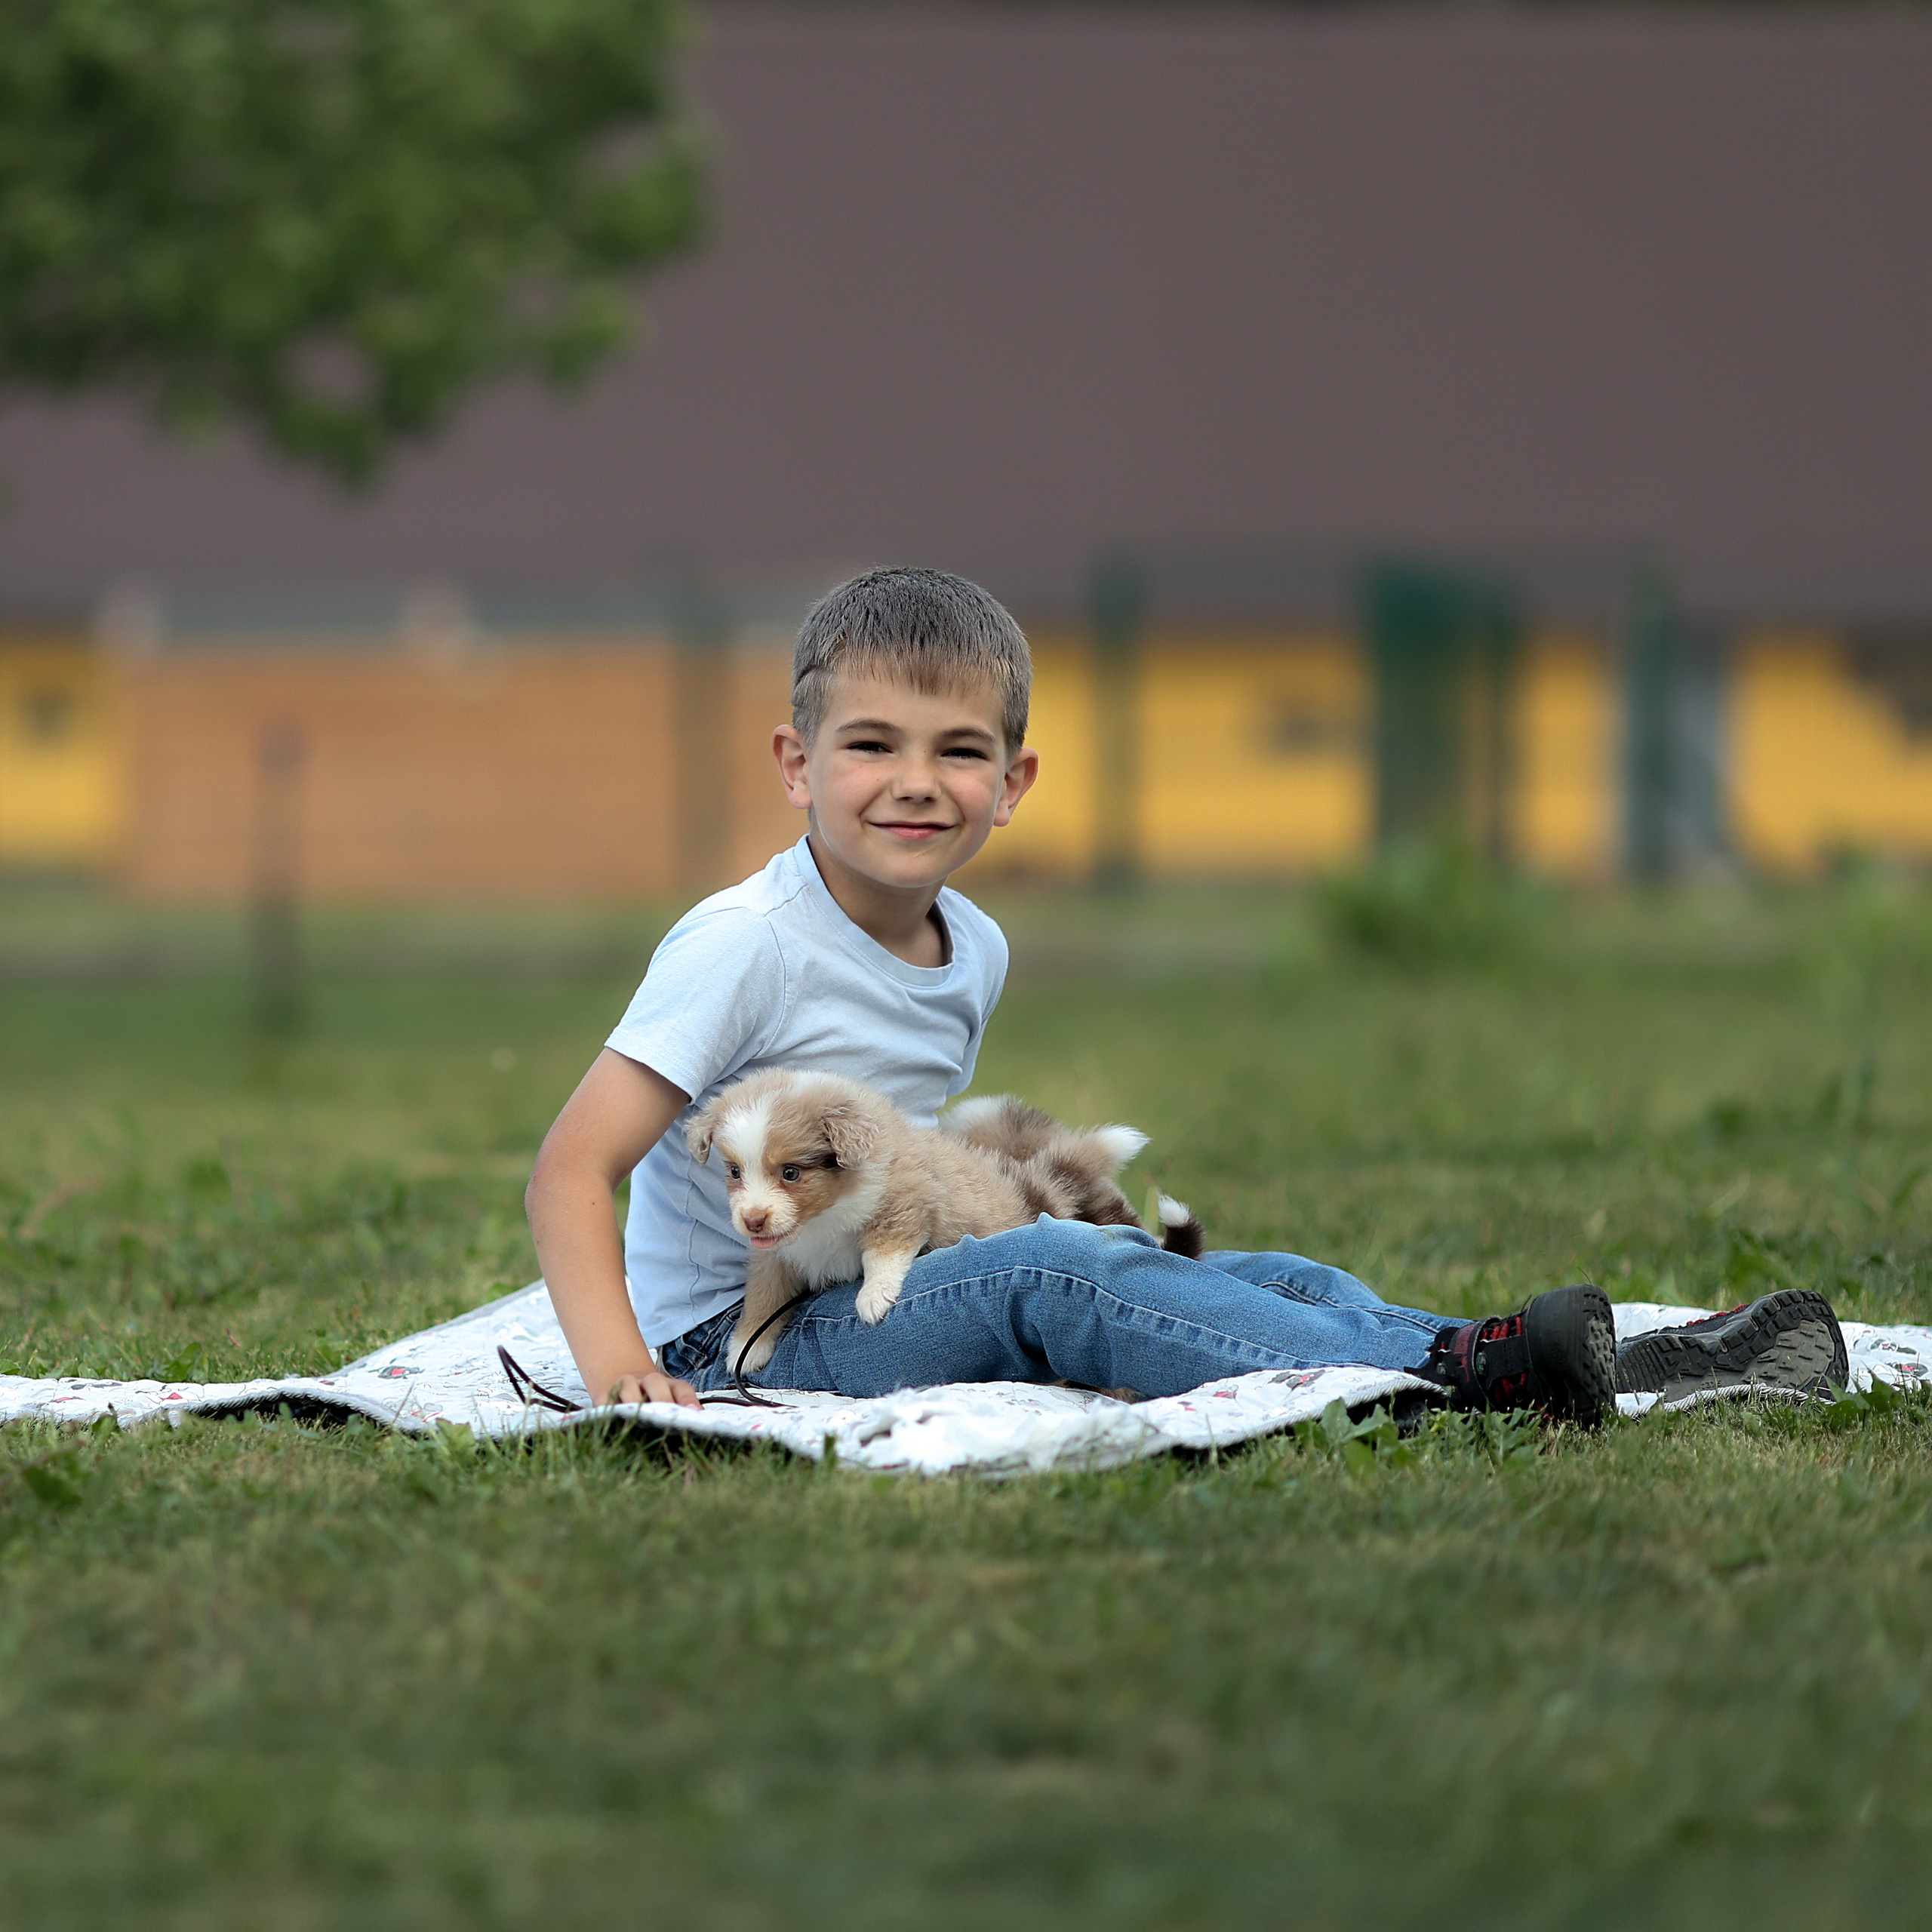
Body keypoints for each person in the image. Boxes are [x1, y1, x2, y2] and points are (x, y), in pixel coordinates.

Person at [526, 568, 1842, 1423]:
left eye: (959, 751)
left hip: (877, 1286)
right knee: (1061, 1272)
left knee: (1237, 1271)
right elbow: (571, 1171)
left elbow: (905, 1177)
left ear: (1015, 783)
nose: (914, 781)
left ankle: (1527, 1353)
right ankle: (1443, 1382)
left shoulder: (971, 945)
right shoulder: (743, 944)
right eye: (869, 744)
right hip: (741, 1342)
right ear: (796, 764)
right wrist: (625, 1378)